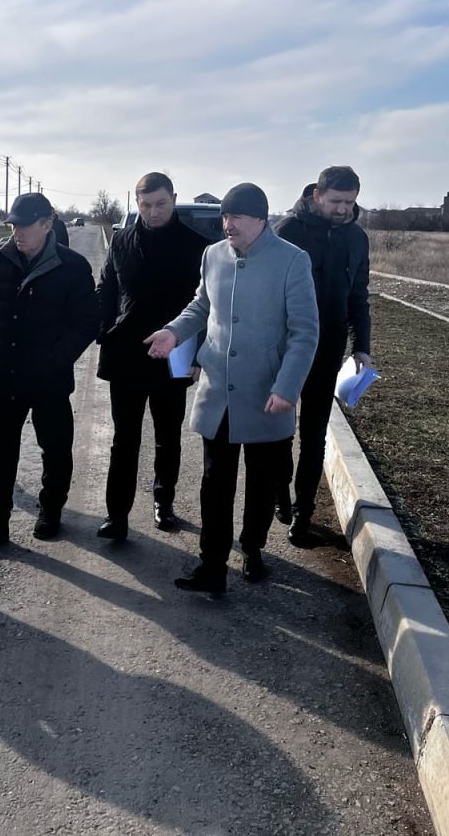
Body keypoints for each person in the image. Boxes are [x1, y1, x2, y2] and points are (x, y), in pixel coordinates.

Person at [145, 183, 318, 594]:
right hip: (220, 390)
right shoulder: (213, 255)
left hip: (266, 393)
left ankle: (253, 550)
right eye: (224, 216)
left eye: (236, 217)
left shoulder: (292, 261)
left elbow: (304, 333)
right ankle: (212, 565)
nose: (228, 224)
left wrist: (287, 386)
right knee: (214, 482)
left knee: (261, 483)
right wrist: (174, 331)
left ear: (260, 219)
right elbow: (201, 305)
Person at [0, 193, 100, 552]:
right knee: (0, 451)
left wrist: (57, 358)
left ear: (46, 224)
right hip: (4, 374)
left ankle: (51, 510)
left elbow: (87, 322)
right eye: (13, 225)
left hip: (48, 379)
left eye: (24, 225)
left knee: (54, 447)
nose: (17, 232)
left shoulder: (72, 266)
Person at [95, 172, 210, 539]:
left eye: (160, 203)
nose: (153, 211)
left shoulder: (197, 247)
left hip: (175, 354)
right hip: (127, 353)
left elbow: (206, 307)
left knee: (167, 435)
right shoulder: (123, 240)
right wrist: (103, 329)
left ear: (173, 198)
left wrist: (197, 357)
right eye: (145, 205)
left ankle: (164, 501)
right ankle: (117, 515)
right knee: (124, 438)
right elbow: (107, 287)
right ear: (136, 203)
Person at [273, 166, 371, 545]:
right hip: (286, 345)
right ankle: (279, 490)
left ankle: (303, 511)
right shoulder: (287, 231)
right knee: (280, 427)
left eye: (350, 202)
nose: (343, 209)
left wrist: (361, 345)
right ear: (317, 194)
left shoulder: (356, 238)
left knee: (314, 433)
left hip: (328, 345)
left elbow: (359, 294)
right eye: (336, 201)